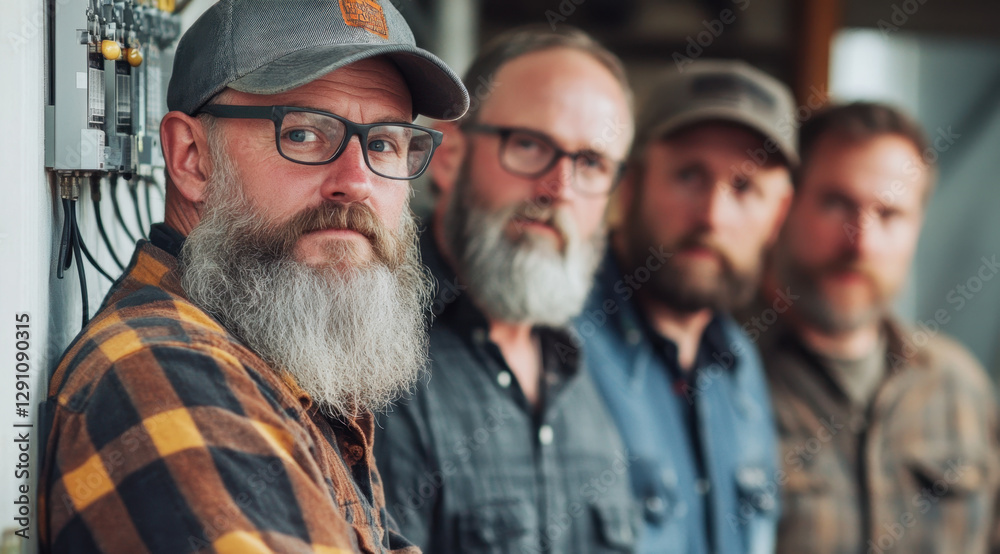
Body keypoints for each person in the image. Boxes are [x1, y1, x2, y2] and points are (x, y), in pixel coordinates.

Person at [39, 1, 468, 552]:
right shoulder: (163, 375)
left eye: (383, 142)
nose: (356, 181)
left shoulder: (288, 371)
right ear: (192, 157)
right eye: (305, 134)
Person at [373, 26, 639, 553]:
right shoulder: (373, 352)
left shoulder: (583, 367)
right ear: (448, 155)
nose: (558, 188)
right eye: (529, 144)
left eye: (590, 163)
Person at [751, 101, 1000, 553]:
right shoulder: (725, 374)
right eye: (835, 204)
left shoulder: (960, 387)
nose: (860, 242)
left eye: (888, 215)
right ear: (785, 206)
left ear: (917, 227)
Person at [576, 60, 797, 554]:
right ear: (629, 184)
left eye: (744, 187)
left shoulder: (740, 363)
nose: (712, 216)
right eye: (689, 175)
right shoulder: (556, 343)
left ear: (778, 214)